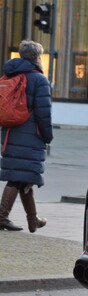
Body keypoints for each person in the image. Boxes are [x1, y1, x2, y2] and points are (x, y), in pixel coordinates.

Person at [0, 40, 53, 232]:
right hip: (30, 135)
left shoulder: (10, 74)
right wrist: (47, 136)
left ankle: (33, 220)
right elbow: (43, 113)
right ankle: (2, 216)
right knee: (19, 177)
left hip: (10, 132)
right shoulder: (39, 80)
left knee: (24, 176)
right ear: (37, 57)